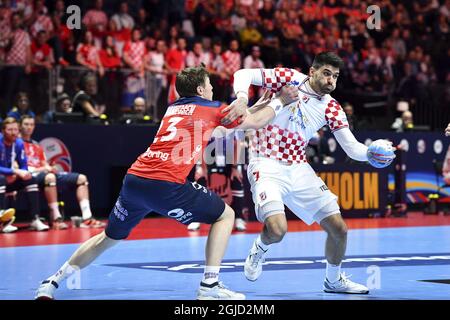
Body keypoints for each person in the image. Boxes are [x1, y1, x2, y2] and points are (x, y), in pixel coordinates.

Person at [35, 65, 295, 300]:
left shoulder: (173, 108)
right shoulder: (211, 108)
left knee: (107, 238)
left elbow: (224, 128)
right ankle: (209, 285)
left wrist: (262, 101)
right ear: (200, 89)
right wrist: (281, 100)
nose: (213, 88)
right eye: (210, 84)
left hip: (135, 180)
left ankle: (51, 282)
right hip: (166, 185)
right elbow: (254, 122)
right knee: (225, 215)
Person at [230, 51, 396, 294]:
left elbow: (351, 148)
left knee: (339, 229)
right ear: (312, 72)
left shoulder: (332, 108)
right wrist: (243, 99)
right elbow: (242, 73)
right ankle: (260, 249)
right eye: (327, 74)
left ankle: (333, 280)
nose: (331, 80)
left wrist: (371, 153)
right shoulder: (288, 78)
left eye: (336, 76)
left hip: (299, 168)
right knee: (277, 230)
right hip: (265, 162)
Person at [20, 115, 106, 230]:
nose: (29, 127)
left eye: (31, 124)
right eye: (26, 124)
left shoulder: (36, 145)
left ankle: (87, 218)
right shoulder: (17, 144)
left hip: (45, 173)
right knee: (50, 177)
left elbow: (44, 163)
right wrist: (44, 169)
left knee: (81, 178)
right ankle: (56, 219)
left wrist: (50, 167)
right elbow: (21, 167)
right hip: (31, 176)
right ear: (20, 126)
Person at [0, 117, 49, 232]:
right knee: (0, 179)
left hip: (11, 178)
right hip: (2, 178)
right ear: (2, 131)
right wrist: (14, 172)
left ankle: (35, 219)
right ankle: (2, 221)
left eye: (16, 130)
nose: (13, 133)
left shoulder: (19, 143)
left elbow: (23, 165)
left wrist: (21, 173)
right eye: (10, 130)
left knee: (30, 179)